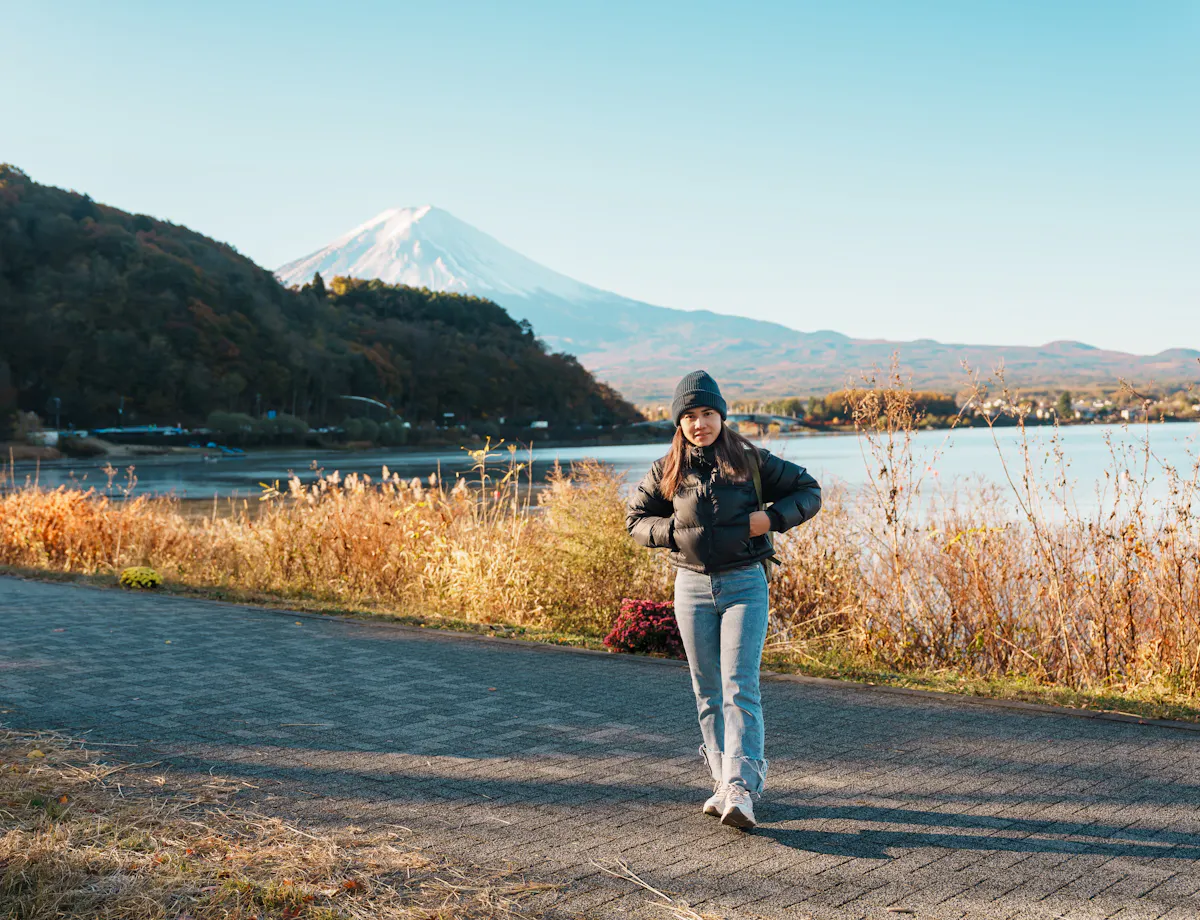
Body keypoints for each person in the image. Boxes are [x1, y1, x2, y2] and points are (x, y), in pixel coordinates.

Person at [626, 370, 821, 829]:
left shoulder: (751, 460)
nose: (700, 424)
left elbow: (809, 491)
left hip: (744, 584)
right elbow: (635, 521)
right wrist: (670, 531)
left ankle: (741, 786)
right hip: (690, 587)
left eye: (708, 413)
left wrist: (772, 519)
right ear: (679, 423)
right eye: (690, 416)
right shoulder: (666, 470)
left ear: (721, 416)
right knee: (707, 690)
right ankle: (722, 782)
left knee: (739, 685)